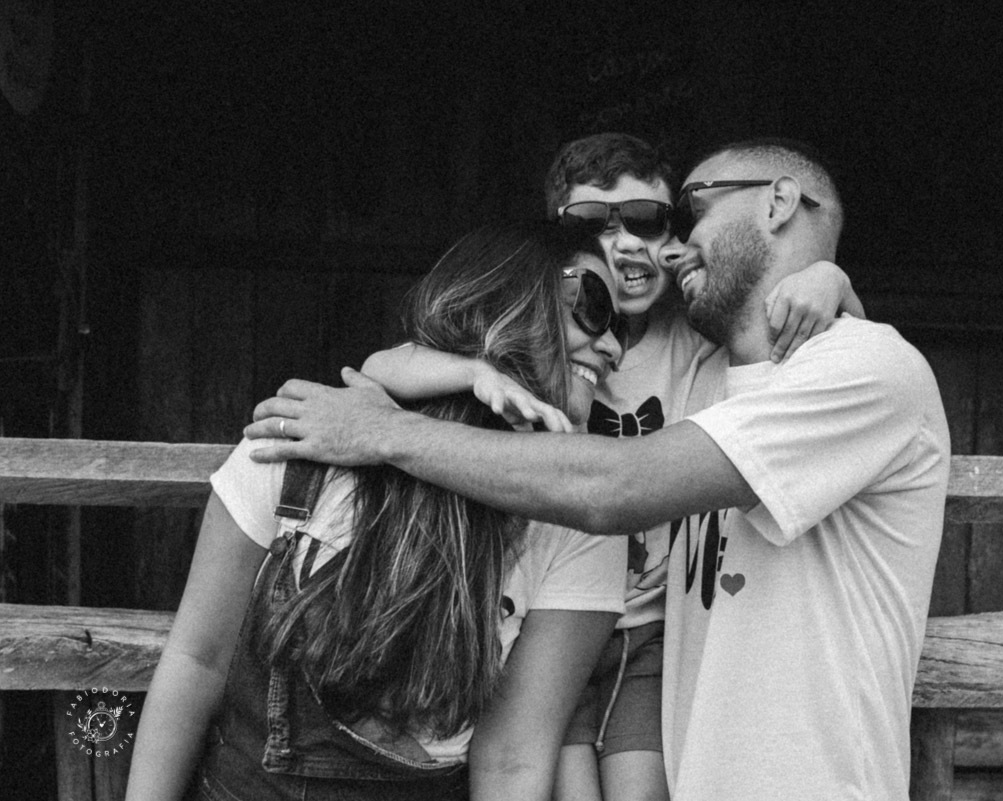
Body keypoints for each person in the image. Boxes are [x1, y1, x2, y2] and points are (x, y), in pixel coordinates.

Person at [247, 138, 951, 800]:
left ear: (777, 203)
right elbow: (399, 361)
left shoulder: (868, 366)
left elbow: (615, 486)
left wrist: (388, 435)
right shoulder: (720, 386)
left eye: (685, 213)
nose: (672, 245)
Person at [125, 223, 628, 801]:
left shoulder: (580, 523)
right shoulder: (304, 445)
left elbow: (512, 759)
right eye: (593, 307)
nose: (613, 347)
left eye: (623, 328)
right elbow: (198, 660)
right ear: (508, 295)